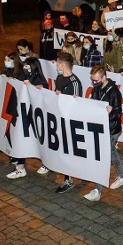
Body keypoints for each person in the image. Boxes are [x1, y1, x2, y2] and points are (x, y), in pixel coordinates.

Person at [84, 65, 123, 202]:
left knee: (103, 156)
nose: (94, 83)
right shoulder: (96, 88)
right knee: (111, 153)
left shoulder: (114, 92)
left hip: (111, 129)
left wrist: (111, 112)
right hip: (103, 128)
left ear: (104, 77)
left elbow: (118, 112)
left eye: (96, 80)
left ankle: (98, 189)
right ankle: (122, 176)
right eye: (93, 80)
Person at [8, 56, 50, 179]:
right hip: (24, 116)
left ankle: (47, 163)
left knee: (40, 142)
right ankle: (20, 168)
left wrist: (32, 86)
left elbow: (44, 96)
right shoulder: (23, 76)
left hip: (36, 118)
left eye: (27, 66)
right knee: (22, 138)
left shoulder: (41, 81)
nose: (24, 68)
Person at [53, 52, 83, 194]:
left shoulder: (74, 82)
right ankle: (67, 178)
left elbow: (77, 105)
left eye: (58, 63)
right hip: (60, 120)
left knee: (70, 150)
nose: (56, 65)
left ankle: (70, 178)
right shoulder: (59, 78)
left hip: (70, 122)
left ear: (62, 64)